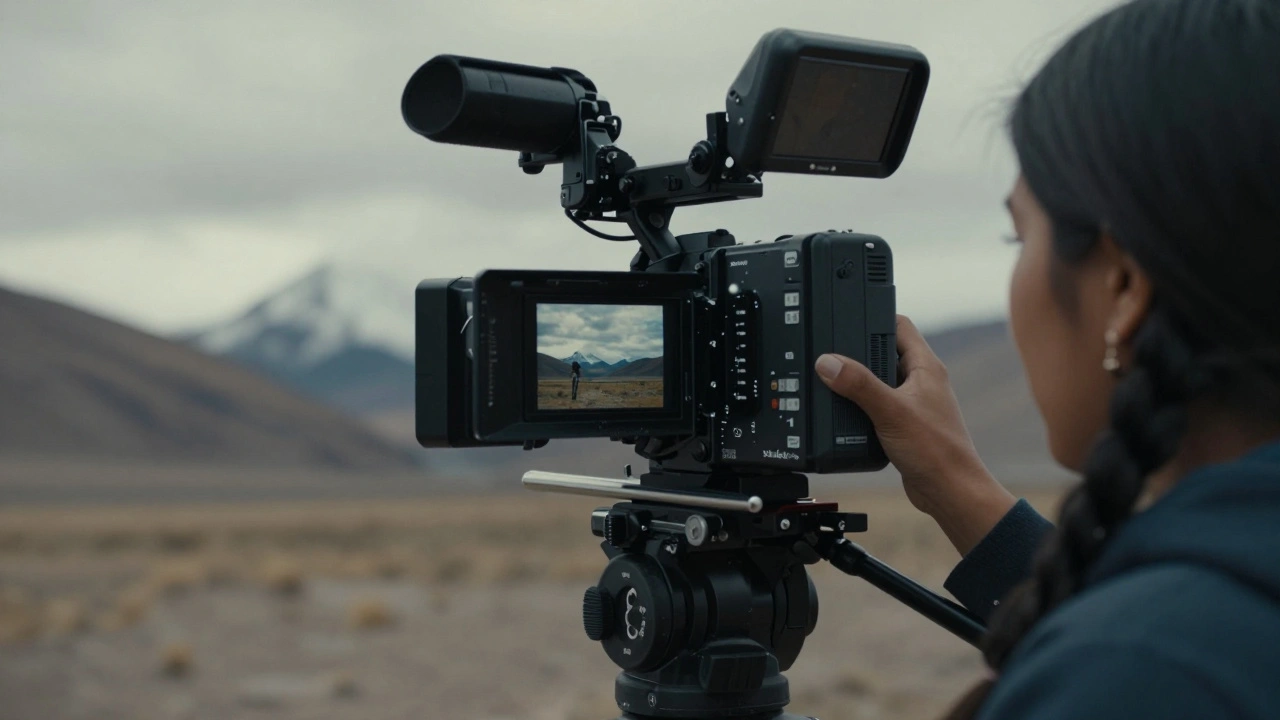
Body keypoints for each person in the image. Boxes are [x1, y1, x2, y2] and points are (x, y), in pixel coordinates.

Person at [813, 0, 1280, 717]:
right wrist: (952, 479)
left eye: (1017, 237)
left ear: (1123, 287)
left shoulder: (1140, 672)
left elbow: (1156, 653)